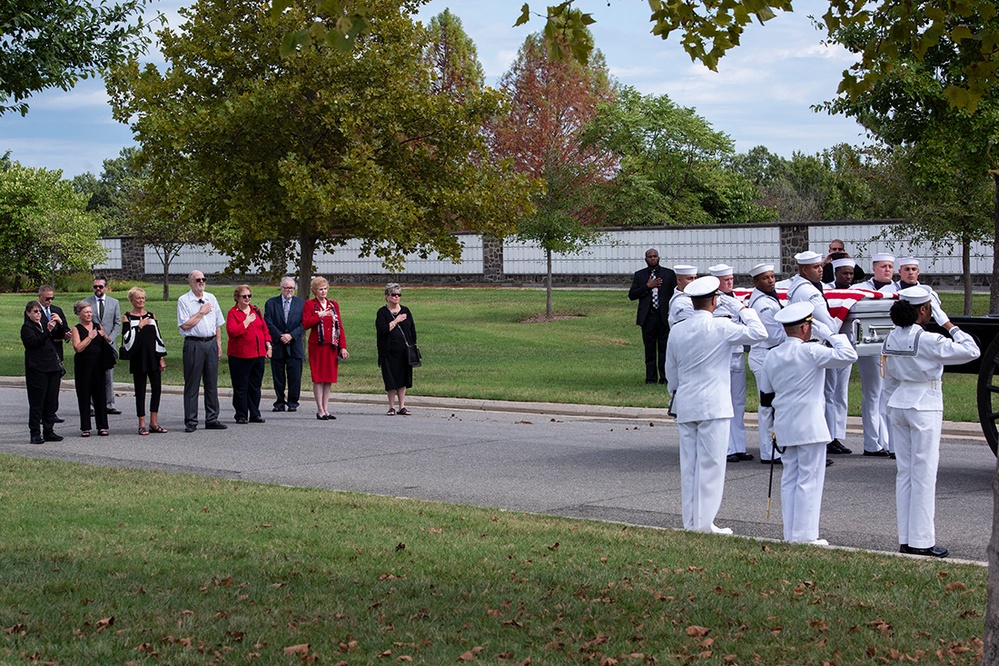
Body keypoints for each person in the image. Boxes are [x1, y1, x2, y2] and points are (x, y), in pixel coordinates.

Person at [882, 287, 979, 558]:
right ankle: (922, 541)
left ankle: (905, 538)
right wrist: (949, 324)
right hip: (924, 404)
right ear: (924, 310)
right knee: (924, 474)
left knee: (906, 473)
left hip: (899, 403)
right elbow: (971, 350)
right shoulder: (929, 339)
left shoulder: (891, 337)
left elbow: (888, 378)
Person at [665, 276, 766, 535]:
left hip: (686, 403)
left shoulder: (678, 329)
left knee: (690, 467)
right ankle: (704, 523)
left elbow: (671, 372)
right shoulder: (720, 326)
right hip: (714, 405)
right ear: (714, 300)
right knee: (710, 466)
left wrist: (675, 395)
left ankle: (691, 522)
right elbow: (759, 333)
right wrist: (742, 308)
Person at [760, 302, 857, 545]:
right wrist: (832, 334)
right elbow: (849, 355)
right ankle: (806, 536)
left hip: (785, 425)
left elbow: (766, 395)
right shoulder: (811, 352)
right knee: (809, 481)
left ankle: (791, 534)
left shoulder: (772, 354)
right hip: (810, 427)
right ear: (805, 327)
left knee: (790, 479)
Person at [708, 263, 754, 464]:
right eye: (726, 279)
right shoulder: (714, 301)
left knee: (738, 403)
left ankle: (738, 446)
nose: (730, 282)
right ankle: (726, 448)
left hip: (737, 356)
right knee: (724, 404)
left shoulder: (736, 299)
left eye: (731, 278)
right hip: (723, 356)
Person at [854, 253, 896, 457]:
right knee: (872, 394)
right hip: (869, 347)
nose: (887, 270)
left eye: (890, 266)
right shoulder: (860, 289)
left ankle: (886, 441)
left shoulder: (897, 290)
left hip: (890, 349)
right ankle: (872, 443)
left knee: (887, 396)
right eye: (883, 266)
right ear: (874, 268)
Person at [177, 270, 227, 433]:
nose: (201, 282)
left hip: (210, 343)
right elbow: (185, 325)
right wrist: (201, 312)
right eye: (198, 279)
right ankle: (191, 420)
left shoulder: (211, 298)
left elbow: (218, 323)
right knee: (192, 384)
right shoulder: (184, 300)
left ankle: (212, 418)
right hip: (194, 344)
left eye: (203, 279)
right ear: (190, 282)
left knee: (211, 383)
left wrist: (218, 344)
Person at [747, 263, 783, 464]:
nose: (771, 280)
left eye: (772, 277)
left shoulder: (769, 298)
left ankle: (774, 449)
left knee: (772, 406)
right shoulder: (764, 304)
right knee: (768, 407)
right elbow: (774, 335)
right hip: (764, 356)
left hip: (768, 356)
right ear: (756, 282)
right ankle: (769, 451)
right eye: (765, 278)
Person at [121, 287, 168, 435]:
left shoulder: (151, 316)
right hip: (138, 359)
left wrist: (161, 358)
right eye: (138, 298)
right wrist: (139, 327)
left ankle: (154, 422)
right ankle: (141, 423)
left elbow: (157, 337)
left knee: (156, 390)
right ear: (132, 300)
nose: (141, 301)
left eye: (143, 298)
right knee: (140, 391)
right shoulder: (127, 317)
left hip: (153, 358)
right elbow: (126, 340)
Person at [302, 276, 349, 420]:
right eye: (320, 289)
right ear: (315, 291)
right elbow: (305, 324)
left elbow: (339, 326)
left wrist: (343, 347)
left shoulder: (333, 304)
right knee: (318, 378)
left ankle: (326, 408)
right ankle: (320, 410)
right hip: (317, 346)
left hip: (331, 346)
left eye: (325, 289)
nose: (323, 292)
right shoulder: (310, 305)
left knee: (328, 378)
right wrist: (319, 316)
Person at [629, 248, 677, 385]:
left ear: (659, 258)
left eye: (655, 256)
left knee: (664, 349)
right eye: (650, 256)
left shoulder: (668, 274)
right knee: (649, 350)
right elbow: (632, 295)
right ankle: (650, 378)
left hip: (663, 317)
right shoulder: (640, 275)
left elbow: (675, 293)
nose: (652, 258)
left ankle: (665, 377)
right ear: (645, 259)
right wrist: (647, 286)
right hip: (648, 317)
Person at [823, 258, 856, 455]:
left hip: (847, 346)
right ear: (835, 273)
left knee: (840, 393)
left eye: (851, 273)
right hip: (830, 346)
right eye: (845, 273)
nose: (849, 277)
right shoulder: (827, 291)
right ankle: (828, 435)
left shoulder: (856, 292)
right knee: (828, 392)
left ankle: (837, 435)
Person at [227, 285, 272, 424]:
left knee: (255, 386)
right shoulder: (233, 313)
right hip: (240, 356)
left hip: (258, 354)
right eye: (244, 296)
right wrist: (246, 322)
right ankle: (241, 414)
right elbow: (232, 332)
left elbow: (264, 330)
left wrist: (268, 345)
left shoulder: (256, 310)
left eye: (249, 296)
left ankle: (254, 413)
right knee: (241, 386)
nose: (247, 299)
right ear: (237, 298)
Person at [21, 300, 63, 444]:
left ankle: (49, 431)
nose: (38, 314)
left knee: (51, 402)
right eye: (35, 312)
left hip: (52, 368)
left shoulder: (44, 325)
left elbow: (60, 335)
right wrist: (47, 331)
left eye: (39, 311)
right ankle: (35, 433)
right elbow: (34, 343)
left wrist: (59, 323)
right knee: (37, 402)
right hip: (37, 369)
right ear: (28, 313)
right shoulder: (27, 328)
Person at [264, 277, 305, 412]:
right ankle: (279, 402)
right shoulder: (271, 303)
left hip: (295, 345)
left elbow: (304, 323)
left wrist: (291, 335)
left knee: (295, 376)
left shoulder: (301, 304)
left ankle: (293, 402)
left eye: (291, 288)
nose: (289, 290)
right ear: (281, 288)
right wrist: (280, 336)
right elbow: (268, 322)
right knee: (278, 376)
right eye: (286, 288)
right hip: (278, 344)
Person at [70, 301, 111, 437]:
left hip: (98, 366)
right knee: (84, 396)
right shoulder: (76, 329)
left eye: (90, 312)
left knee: (100, 396)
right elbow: (78, 347)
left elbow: (108, 340)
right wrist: (90, 337)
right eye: (86, 312)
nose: (89, 314)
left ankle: (102, 426)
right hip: (84, 367)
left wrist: (104, 335)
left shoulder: (97, 326)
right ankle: (85, 427)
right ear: (79, 314)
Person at [376, 283, 417, 416]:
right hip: (388, 351)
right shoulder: (382, 312)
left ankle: (402, 406)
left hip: (403, 351)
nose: (396, 297)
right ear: (387, 296)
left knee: (402, 378)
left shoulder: (406, 310)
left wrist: (412, 345)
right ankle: (391, 406)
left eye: (399, 295)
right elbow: (382, 330)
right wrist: (396, 320)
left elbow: (412, 330)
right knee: (390, 378)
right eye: (393, 295)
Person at [85, 276, 122, 415]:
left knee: (108, 376)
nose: (98, 289)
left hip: (108, 345)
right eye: (95, 287)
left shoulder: (114, 303)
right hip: (92, 344)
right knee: (92, 376)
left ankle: (109, 404)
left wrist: (110, 339)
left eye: (100, 286)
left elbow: (117, 323)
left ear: (105, 287)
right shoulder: (86, 303)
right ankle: (91, 406)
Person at [37, 284, 70, 423]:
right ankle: (40, 414)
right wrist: (51, 332)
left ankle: (51, 413)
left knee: (54, 387)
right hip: (41, 354)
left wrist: (60, 323)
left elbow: (65, 332)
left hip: (56, 353)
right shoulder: (34, 310)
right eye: (47, 299)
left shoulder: (56, 311)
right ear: (40, 297)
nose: (49, 301)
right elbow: (36, 333)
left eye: (52, 298)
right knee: (42, 387)